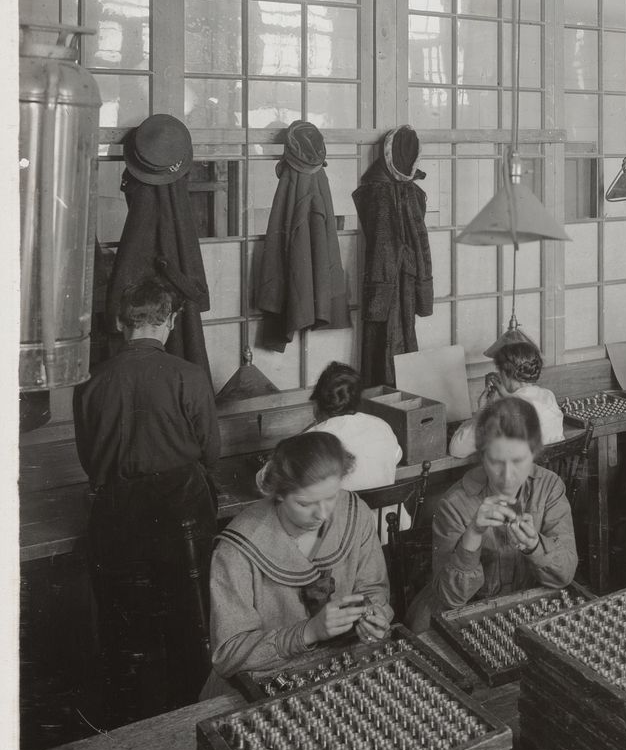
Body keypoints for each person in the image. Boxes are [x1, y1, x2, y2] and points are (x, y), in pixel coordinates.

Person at [74, 277, 221, 723]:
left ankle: (130, 724)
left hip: (117, 514)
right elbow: (210, 452)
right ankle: (193, 716)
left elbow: (90, 462)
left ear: (121, 322)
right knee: (190, 621)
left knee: (125, 626)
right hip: (182, 514)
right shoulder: (190, 377)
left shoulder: (90, 384)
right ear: (171, 322)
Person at [202, 432, 393, 699]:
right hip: (259, 684)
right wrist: (308, 632)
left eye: (331, 497)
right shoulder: (236, 550)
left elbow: (373, 588)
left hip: (339, 669)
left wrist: (375, 614)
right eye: (305, 503)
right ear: (277, 494)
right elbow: (228, 655)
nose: (323, 513)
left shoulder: (354, 512)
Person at [409, 397, 578, 630]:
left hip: (524, 609)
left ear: (535, 453)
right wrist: (473, 534)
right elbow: (450, 599)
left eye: (518, 461)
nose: (507, 476)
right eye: (496, 462)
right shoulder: (454, 503)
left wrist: (535, 546)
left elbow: (565, 574)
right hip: (465, 615)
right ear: (481, 457)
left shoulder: (549, 487)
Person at [449, 339, 565, 458]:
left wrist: (482, 412)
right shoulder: (548, 396)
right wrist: (507, 395)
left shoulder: (503, 411)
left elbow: (457, 449)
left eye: (499, 371)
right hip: (548, 474)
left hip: (518, 475)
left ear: (504, 373)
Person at [306, 362, 403, 490]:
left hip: (343, 509)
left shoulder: (311, 439)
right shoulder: (381, 425)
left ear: (317, 403)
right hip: (386, 509)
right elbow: (396, 458)